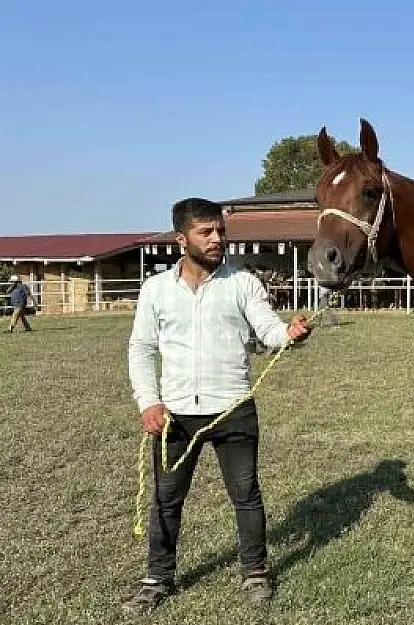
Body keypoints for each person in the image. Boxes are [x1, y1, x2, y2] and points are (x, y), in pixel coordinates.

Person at [122, 198, 313, 614]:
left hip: (233, 408)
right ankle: (158, 578)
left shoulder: (243, 283)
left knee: (245, 495)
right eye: (205, 232)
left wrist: (289, 333)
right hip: (174, 416)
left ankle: (255, 572)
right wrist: (149, 402)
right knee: (166, 500)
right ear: (181, 239)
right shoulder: (155, 290)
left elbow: (268, 330)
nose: (216, 239)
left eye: (220, 231)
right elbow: (140, 349)